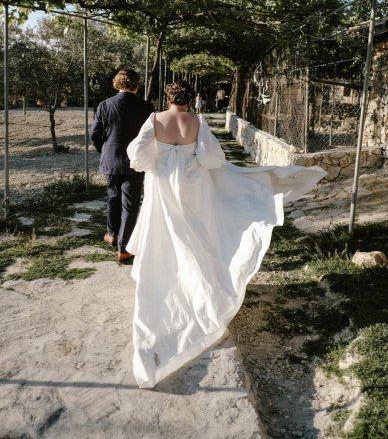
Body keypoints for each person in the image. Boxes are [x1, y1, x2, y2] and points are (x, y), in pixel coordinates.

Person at [125, 80, 325, 388]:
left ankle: (166, 273)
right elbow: (212, 158)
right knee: (196, 234)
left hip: (163, 184)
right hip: (193, 186)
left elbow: (137, 156)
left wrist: (161, 160)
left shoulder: (154, 119)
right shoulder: (197, 120)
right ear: (189, 99)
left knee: (164, 232)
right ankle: (204, 286)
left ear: (167, 97)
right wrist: (188, 157)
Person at [90, 69, 153, 263]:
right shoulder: (145, 107)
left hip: (111, 158)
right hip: (134, 161)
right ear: (136, 84)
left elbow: (95, 134)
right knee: (130, 204)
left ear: (116, 83)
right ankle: (124, 248)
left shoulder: (104, 105)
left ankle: (112, 234)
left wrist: (104, 150)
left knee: (113, 196)